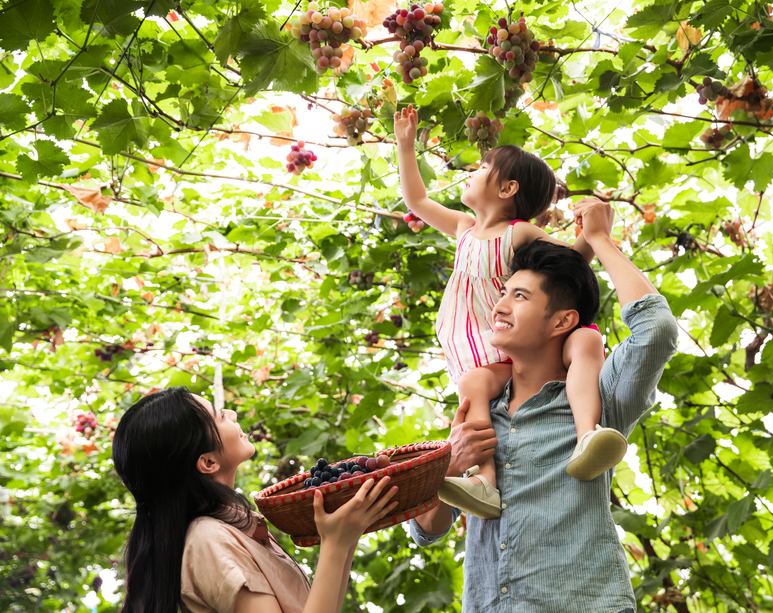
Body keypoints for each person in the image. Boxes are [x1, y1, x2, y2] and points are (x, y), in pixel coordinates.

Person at [408, 198, 680, 612]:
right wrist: (448, 466)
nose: (499, 306)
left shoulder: (599, 401)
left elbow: (656, 329)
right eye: (503, 293)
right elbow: (427, 531)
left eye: (519, 296)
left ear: (562, 321)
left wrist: (599, 239)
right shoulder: (479, 407)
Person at [394, 104, 627, 519]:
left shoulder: (517, 232)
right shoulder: (464, 228)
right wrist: (406, 146)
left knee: (578, 345)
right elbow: (417, 199)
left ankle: (586, 437)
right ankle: (484, 482)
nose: (472, 170)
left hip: (510, 348)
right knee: (473, 387)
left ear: (507, 189)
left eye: (483, 166)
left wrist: (593, 235)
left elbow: (569, 264)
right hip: (475, 351)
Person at [111, 386, 399, 613]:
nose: (232, 414)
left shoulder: (233, 529)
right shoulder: (209, 540)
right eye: (220, 416)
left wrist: (345, 538)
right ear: (208, 462)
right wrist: (335, 545)